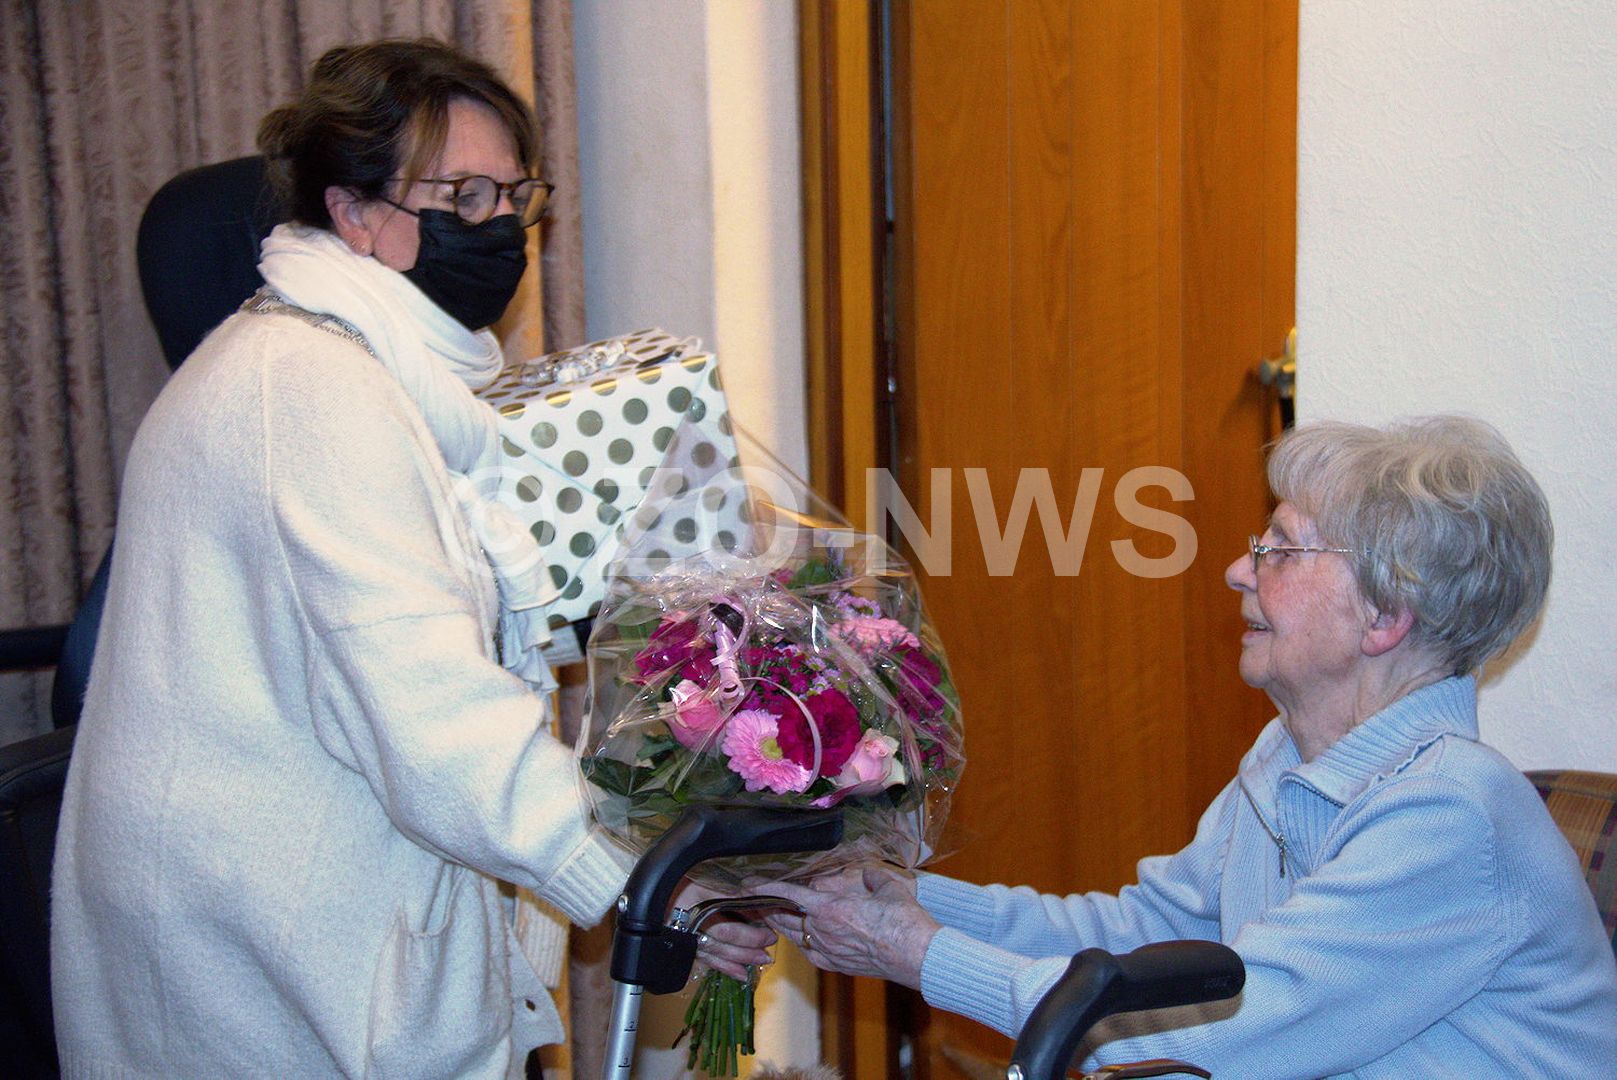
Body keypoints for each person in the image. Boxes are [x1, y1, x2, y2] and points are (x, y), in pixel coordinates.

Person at [51, 39, 767, 1078]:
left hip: (296, 908)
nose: (496, 228)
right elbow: (435, 719)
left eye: (513, 197)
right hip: (260, 961)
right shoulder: (306, 394)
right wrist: (651, 877)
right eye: (460, 196)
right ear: (351, 211)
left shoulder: (360, 369)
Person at [762, 416, 1617, 1077]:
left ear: (1385, 615)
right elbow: (1147, 935)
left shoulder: (1451, 815)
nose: (1238, 571)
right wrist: (905, 897)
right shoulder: (1288, 758)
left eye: (1281, 550)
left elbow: (1222, 1034)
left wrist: (915, 952)